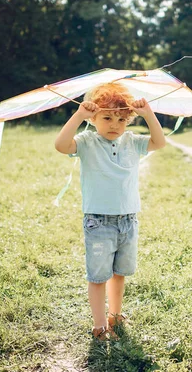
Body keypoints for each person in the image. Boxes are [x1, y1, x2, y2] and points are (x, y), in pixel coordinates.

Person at [54, 82, 166, 340]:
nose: (115, 124)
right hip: (99, 221)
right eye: (107, 117)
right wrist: (78, 115)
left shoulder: (131, 141)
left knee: (119, 273)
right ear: (93, 119)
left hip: (128, 220)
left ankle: (115, 315)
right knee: (98, 276)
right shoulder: (86, 142)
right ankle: (100, 325)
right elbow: (61, 145)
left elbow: (159, 143)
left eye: (122, 119)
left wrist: (148, 114)